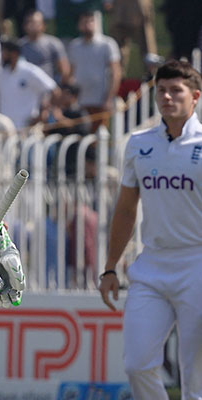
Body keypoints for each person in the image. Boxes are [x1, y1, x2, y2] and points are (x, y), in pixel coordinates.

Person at [99, 59, 202, 400]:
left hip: (197, 264)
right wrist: (110, 267)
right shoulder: (139, 143)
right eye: (162, 91)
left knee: (195, 379)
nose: (167, 97)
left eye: (177, 90)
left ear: (195, 96)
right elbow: (127, 209)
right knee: (137, 364)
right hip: (152, 265)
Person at [67, 10, 121, 131]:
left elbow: (116, 73)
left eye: (91, 21)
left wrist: (109, 98)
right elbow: (71, 73)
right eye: (84, 22)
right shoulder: (74, 45)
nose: (88, 25)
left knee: (99, 135)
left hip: (100, 100)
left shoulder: (107, 44)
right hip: (80, 102)